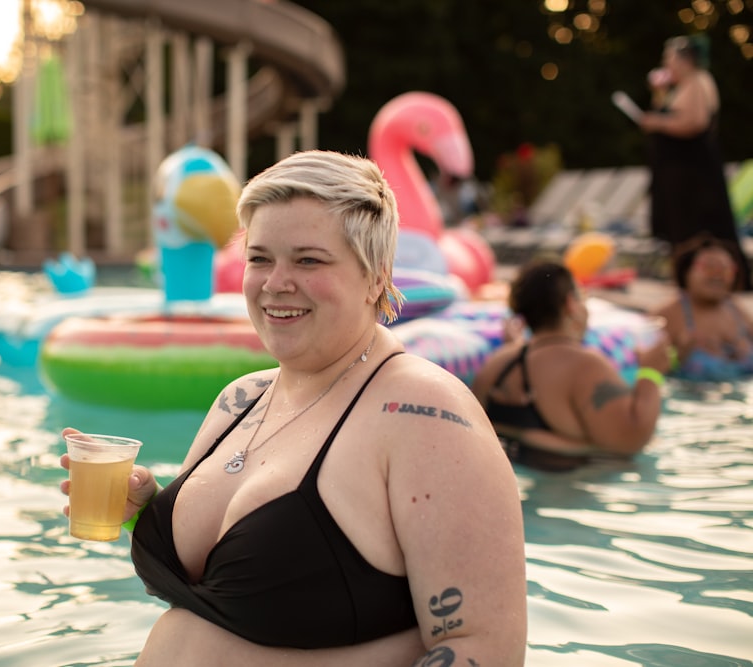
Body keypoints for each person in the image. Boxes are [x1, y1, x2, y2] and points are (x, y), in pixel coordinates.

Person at [60, 150, 527, 665]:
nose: (275, 282)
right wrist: (144, 513)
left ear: (376, 276)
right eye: (260, 258)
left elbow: (484, 649)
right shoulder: (240, 400)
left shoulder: (423, 413)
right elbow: (226, 597)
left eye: (308, 259)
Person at [471, 260, 673, 472]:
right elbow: (630, 441)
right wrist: (651, 374)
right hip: (572, 493)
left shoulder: (496, 365)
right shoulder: (586, 366)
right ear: (571, 304)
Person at [639, 34, 751, 291]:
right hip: (677, 172)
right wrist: (659, 93)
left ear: (684, 60)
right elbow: (665, 112)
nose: (666, 63)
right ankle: (687, 280)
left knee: (705, 229)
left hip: (694, 173)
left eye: (669, 58)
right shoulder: (679, 87)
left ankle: (723, 282)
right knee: (680, 228)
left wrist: (656, 122)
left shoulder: (699, 81)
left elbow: (695, 122)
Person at [653, 235, 753, 381]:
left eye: (725, 269)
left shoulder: (738, 312)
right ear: (687, 271)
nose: (717, 276)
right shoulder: (667, 316)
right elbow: (642, 370)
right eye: (709, 267)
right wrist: (677, 357)